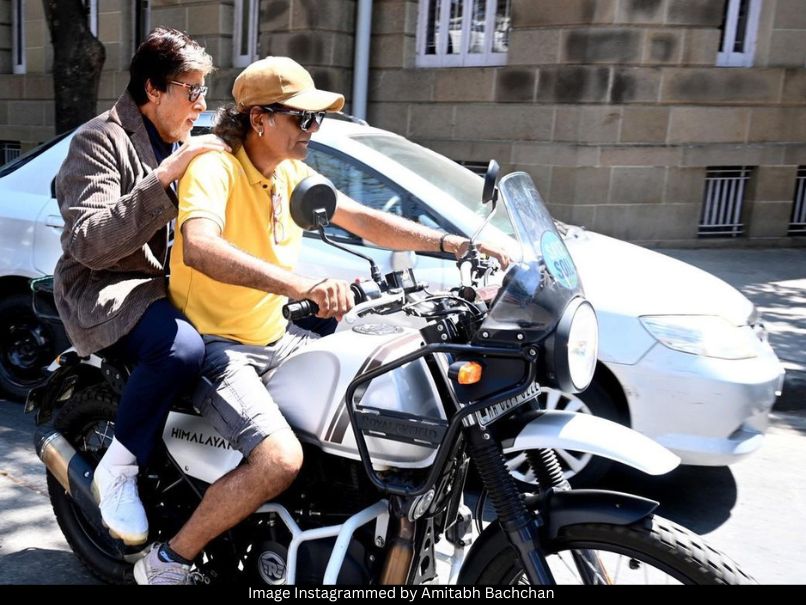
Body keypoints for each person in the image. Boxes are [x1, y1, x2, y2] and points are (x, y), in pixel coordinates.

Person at [133, 56, 509, 584]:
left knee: (368, 392)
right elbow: (199, 246)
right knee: (279, 461)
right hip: (219, 345)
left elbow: (359, 218)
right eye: (302, 119)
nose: (313, 130)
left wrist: (455, 244)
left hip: (276, 337)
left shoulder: (288, 172)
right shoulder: (215, 165)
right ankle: (168, 562)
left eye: (317, 120)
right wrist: (302, 285)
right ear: (260, 118)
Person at [53, 27, 230, 547]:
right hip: (106, 287)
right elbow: (87, 241)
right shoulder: (98, 139)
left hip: (168, 283)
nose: (201, 105)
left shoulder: (183, 141)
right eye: (192, 91)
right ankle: (120, 468)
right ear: (154, 89)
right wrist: (166, 176)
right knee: (180, 348)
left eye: (205, 91)